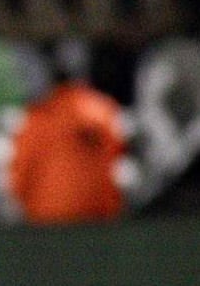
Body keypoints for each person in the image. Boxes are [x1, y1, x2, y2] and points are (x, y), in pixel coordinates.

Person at [8, 39, 125, 224]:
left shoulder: (40, 116)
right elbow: (116, 163)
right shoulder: (104, 109)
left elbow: (19, 178)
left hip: (48, 222)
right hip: (99, 221)